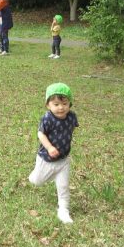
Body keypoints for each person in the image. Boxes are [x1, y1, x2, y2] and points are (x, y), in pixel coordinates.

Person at [28, 83, 79, 224]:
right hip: (46, 158)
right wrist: (50, 147)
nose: (61, 107)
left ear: (70, 104)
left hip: (63, 160)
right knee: (37, 181)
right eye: (56, 104)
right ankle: (35, 176)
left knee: (63, 187)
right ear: (48, 105)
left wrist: (64, 143)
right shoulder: (47, 118)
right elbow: (41, 134)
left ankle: (64, 210)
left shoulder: (71, 117)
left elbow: (71, 128)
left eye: (64, 104)